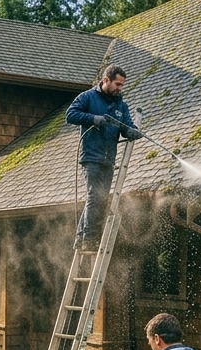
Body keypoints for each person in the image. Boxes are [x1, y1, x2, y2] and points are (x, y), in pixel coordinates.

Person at [66, 65, 143, 251]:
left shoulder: (121, 105)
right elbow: (70, 115)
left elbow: (126, 126)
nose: (120, 88)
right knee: (95, 196)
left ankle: (81, 237)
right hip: (91, 157)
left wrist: (133, 132)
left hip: (108, 160)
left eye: (122, 85)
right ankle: (89, 239)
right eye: (117, 84)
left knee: (101, 199)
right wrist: (93, 118)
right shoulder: (88, 97)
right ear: (106, 80)